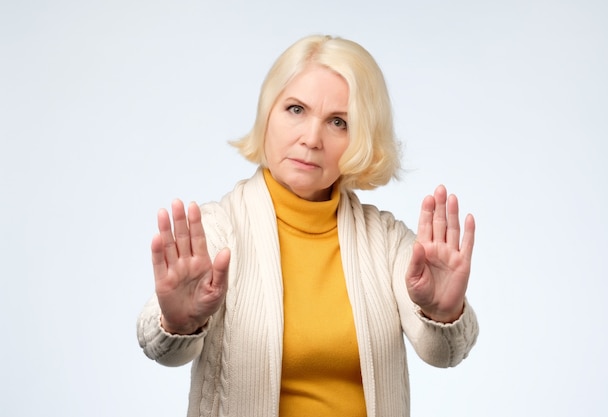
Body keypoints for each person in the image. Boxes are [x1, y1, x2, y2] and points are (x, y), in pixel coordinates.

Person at [137, 34, 479, 417]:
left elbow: (442, 353)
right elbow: (159, 347)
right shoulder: (216, 229)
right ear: (268, 113)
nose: (311, 139)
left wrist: (443, 313)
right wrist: (179, 322)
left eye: (338, 122)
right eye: (295, 109)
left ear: (362, 140)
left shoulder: (385, 241)